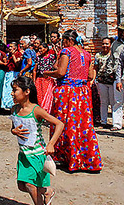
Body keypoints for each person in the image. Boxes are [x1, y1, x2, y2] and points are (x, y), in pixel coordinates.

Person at [43, 29, 102, 171]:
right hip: (82, 93)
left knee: (65, 123)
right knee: (83, 125)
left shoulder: (67, 52)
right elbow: (89, 75)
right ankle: (86, 159)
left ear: (69, 40)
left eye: (64, 41)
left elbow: (61, 72)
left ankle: (66, 157)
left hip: (67, 93)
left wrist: (48, 73)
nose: (63, 44)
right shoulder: (87, 54)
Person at [10, 76, 64, 205]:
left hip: (37, 155)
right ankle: (46, 192)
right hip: (24, 155)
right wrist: (14, 131)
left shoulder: (36, 110)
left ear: (27, 91)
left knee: (29, 185)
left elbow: (59, 124)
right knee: (23, 186)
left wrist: (51, 144)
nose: (12, 93)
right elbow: (13, 128)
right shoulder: (14, 110)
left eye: (15, 90)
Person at [94, 37, 122, 131]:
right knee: (103, 102)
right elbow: (95, 68)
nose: (104, 46)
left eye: (107, 44)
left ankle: (115, 123)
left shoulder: (113, 55)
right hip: (101, 81)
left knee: (114, 102)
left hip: (112, 81)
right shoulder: (98, 55)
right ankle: (103, 121)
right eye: (103, 43)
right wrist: (94, 79)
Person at [33, 42, 57, 113]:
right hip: (40, 80)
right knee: (40, 97)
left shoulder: (52, 57)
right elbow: (35, 70)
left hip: (49, 80)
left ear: (46, 49)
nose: (39, 50)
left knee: (48, 98)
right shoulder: (38, 58)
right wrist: (34, 81)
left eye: (41, 48)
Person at [2, 42, 22, 110]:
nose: (9, 48)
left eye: (11, 47)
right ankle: (6, 105)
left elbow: (17, 64)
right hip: (8, 72)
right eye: (9, 47)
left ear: (15, 48)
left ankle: (12, 105)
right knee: (6, 89)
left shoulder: (18, 54)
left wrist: (13, 55)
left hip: (14, 73)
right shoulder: (9, 55)